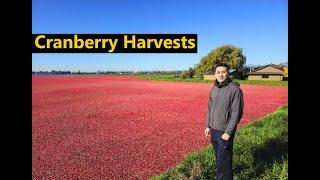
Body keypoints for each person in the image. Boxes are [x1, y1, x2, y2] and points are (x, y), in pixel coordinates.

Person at [204, 63, 244, 180]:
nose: (220, 75)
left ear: (228, 73)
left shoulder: (235, 89)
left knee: (225, 161)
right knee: (219, 160)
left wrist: (228, 132)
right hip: (214, 130)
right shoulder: (214, 89)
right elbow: (210, 109)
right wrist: (207, 126)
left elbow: (237, 113)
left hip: (225, 132)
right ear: (215, 74)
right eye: (218, 72)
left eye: (223, 72)